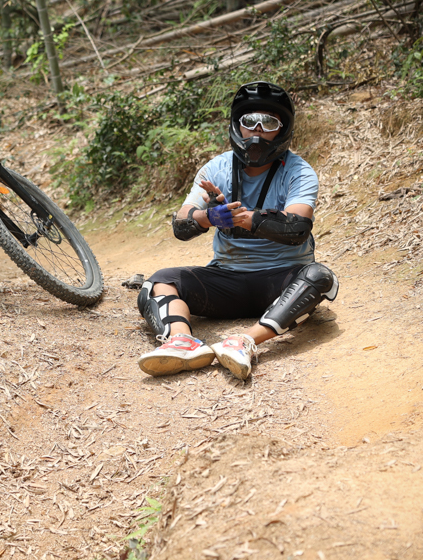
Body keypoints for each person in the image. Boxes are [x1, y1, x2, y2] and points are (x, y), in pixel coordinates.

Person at [136, 80, 339, 381]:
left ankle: (244, 342)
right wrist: (209, 217)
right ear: (237, 126)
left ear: (282, 129)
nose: (257, 130)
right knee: (159, 281)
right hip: (226, 279)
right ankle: (182, 342)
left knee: (320, 277)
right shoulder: (214, 169)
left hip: (281, 279)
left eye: (268, 122)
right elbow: (181, 224)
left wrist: (244, 218)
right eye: (249, 121)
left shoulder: (299, 171)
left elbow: (296, 226)